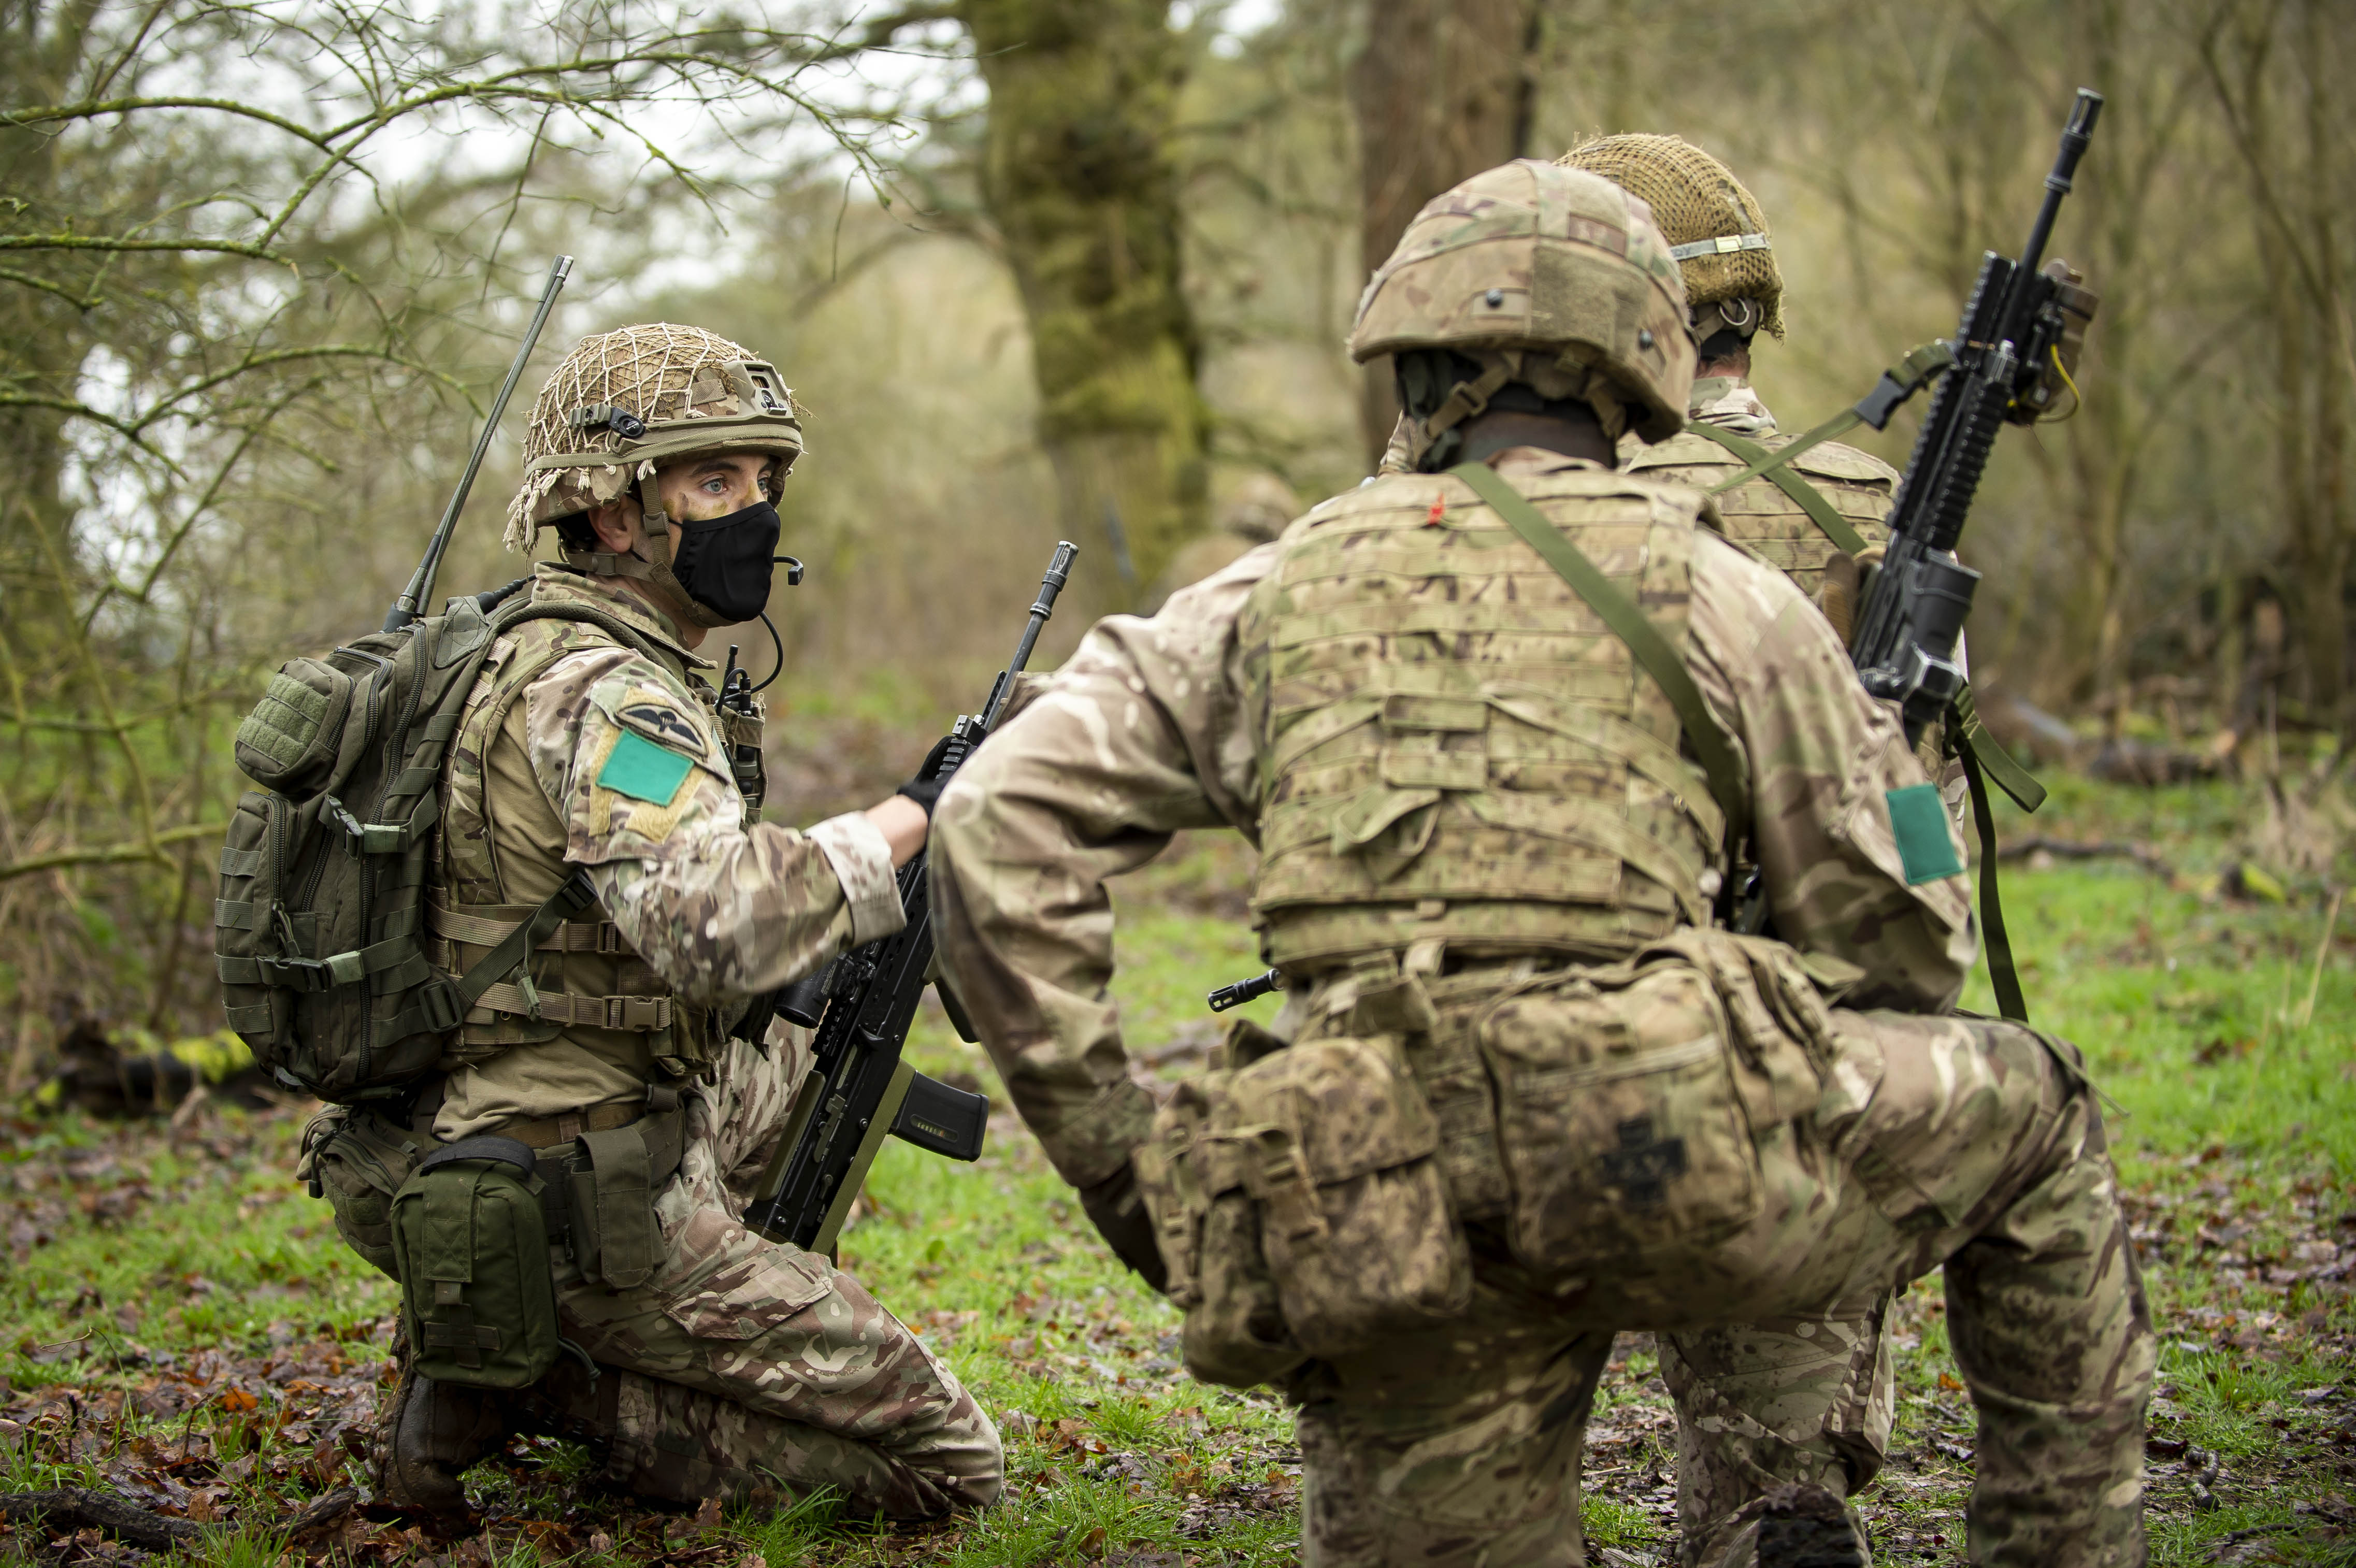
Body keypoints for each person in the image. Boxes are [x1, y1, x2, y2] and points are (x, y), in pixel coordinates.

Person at [929, 163, 2149, 1567]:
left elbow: (990, 820)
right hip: (1673, 1148)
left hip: (1375, 1191)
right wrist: (1893, 755)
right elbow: (1904, 942)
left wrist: (1128, 1170)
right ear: (1638, 362)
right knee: (2040, 1108)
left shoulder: (1269, 590)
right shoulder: (1721, 590)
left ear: (1410, 359)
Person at [300, 323, 1001, 1523]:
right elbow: (713, 925)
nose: (758, 514)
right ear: (616, 511)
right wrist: (912, 816)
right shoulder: (605, 691)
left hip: (497, 1121)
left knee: (813, 1044)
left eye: (765, 481)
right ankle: (554, 1383)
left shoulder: (531, 646)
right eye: (716, 482)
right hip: (564, 1180)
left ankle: (593, 1327)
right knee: (948, 1467)